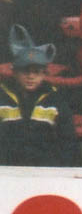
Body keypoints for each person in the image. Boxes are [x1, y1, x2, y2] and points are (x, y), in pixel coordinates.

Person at [0, 26, 77, 167]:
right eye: (25, 72)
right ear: (15, 72)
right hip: (6, 169)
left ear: (44, 74)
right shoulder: (2, 97)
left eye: (36, 72)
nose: (31, 76)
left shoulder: (56, 100)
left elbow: (67, 141)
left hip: (46, 171)